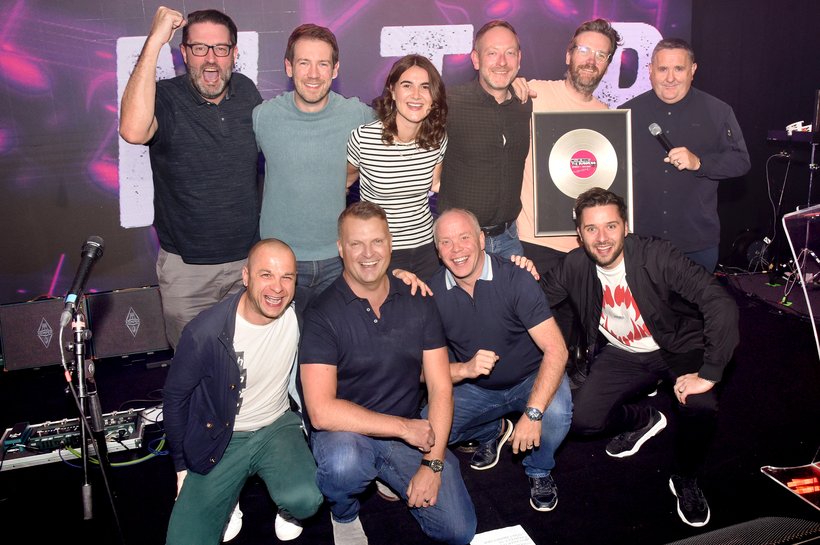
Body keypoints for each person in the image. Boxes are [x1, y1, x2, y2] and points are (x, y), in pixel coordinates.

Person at [540, 187, 739, 527]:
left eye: (611, 226)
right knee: (582, 418)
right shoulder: (574, 266)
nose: (602, 238)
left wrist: (708, 372)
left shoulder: (657, 255)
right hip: (624, 354)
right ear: (579, 234)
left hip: (676, 347)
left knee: (700, 405)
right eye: (591, 229)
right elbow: (532, 303)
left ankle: (686, 478)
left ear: (626, 227)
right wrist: (511, 273)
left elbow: (720, 303)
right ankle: (644, 419)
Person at [299, 202, 476, 545]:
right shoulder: (322, 313)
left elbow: (440, 388)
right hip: (345, 434)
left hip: (402, 435)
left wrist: (433, 464)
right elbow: (321, 412)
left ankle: (384, 473)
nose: (368, 253)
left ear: (390, 244)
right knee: (345, 464)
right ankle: (344, 511)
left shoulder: (418, 299)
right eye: (356, 244)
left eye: (377, 242)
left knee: (458, 530)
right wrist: (405, 428)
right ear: (340, 248)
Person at [163, 239, 323, 544]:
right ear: (246, 276)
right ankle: (228, 500)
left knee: (307, 498)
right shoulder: (205, 332)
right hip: (220, 437)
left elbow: (350, 290)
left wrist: (399, 276)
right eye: (266, 275)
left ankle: (286, 506)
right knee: (184, 540)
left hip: (277, 426)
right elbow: (174, 399)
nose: (277, 288)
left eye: (286, 277)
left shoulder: (298, 311)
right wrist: (181, 465)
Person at [119, 7, 262, 349]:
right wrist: (154, 40)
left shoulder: (247, 91)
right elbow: (132, 130)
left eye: (221, 49)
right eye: (199, 48)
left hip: (247, 264)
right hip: (188, 273)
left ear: (234, 53)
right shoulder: (164, 98)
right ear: (183, 53)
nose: (210, 59)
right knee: (194, 369)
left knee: (248, 366)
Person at [428, 209, 572, 512]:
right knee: (428, 432)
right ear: (437, 250)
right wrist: (463, 369)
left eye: (465, 237)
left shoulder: (516, 277)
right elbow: (417, 370)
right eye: (446, 242)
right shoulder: (431, 294)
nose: (457, 250)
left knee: (556, 414)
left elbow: (557, 350)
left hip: (529, 379)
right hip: (476, 388)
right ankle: (491, 431)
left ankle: (538, 469)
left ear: (482, 239)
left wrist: (533, 414)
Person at [254, 24, 374, 317]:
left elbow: (396, 142)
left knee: (338, 355)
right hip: (280, 265)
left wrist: (349, 174)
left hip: (339, 260)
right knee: (284, 357)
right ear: (288, 67)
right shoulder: (264, 117)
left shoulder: (358, 115)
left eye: (323, 64)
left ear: (335, 70)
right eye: (304, 63)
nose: (313, 74)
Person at [620, 38, 750, 272]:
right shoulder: (626, 113)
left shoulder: (718, 111)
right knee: (644, 310)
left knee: (694, 310)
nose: (670, 78)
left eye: (679, 68)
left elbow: (740, 161)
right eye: (663, 69)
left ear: (693, 70)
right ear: (650, 71)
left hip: (697, 245)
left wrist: (700, 163)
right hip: (640, 244)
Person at [518, 18, 622, 273]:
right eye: (584, 50)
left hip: (587, 248)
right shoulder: (533, 93)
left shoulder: (607, 115)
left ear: (607, 64)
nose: (591, 60)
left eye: (601, 54)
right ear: (568, 55)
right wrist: (509, 86)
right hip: (533, 245)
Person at [347, 54, 447, 280]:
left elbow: (436, 184)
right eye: (407, 85)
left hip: (426, 249)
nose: (416, 95)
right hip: (380, 252)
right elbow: (344, 184)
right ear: (392, 91)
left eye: (425, 87)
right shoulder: (364, 138)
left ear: (434, 96)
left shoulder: (437, 138)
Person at [437, 20, 532, 259]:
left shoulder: (524, 103)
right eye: (492, 53)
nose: (502, 62)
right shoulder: (449, 103)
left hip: (509, 241)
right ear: (476, 59)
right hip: (460, 246)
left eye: (509, 53)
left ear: (519, 59)